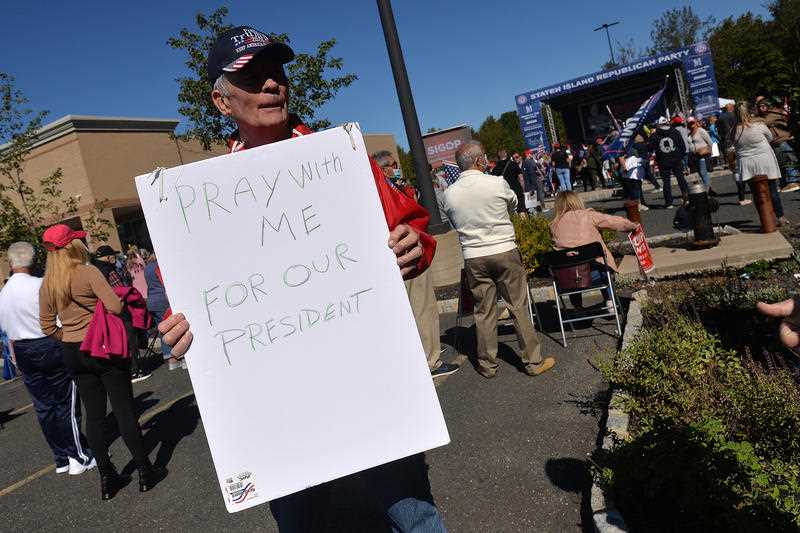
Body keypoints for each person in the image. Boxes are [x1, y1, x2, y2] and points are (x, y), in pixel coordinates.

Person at [157, 26, 446, 532]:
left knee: (412, 513)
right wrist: (178, 332)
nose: (272, 84)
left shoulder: (343, 161)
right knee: (299, 521)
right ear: (222, 101)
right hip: (274, 408)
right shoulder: (195, 204)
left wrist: (411, 244)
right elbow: (185, 300)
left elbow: (415, 229)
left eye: (277, 72)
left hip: (368, 382)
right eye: (253, 76)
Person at [39, 225, 164, 500]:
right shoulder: (87, 272)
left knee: (95, 417)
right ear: (73, 246)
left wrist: (68, 336)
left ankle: (107, 478)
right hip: (101, 346)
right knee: (123, 410)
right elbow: (115, 307)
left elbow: (47, 325)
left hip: (73, 350)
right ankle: (145, 470)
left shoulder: (48, 283)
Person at [443, 141, 556, 379]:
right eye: (483, 157)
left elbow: (453, 220)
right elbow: (513, 204)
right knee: (518, 306)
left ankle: (487, 365)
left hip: (473, 256)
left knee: (483, 312)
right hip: (504, 249)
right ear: (478, 161)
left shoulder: (449, 194)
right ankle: (532, 362)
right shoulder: (496, 183)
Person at [0, 242, 95, 475]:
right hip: (49, 343)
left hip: (22, 349)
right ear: (33, 261)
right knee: (67, 401)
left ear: (11, 263)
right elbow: (59, 318)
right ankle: (79, 455)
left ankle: (61, 456)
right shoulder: (41, 284)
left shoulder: (4, 293)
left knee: (44, 406)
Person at [373, 150, 459, 378]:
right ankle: (431, 360)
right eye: (392, 164)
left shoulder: (390, 188)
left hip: (402, 255)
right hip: (405, 255)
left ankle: (426, 352)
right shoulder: (385, 191)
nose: (396, 167)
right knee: (422, 306)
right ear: (383, 169)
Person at [549, 192, 638, 309]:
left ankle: (577, 306)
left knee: (570, 263)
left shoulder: (553, 225)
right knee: (601, 264)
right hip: (595, 276)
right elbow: (613, 221)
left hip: (567, 280)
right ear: (577, 201)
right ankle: (610, 300)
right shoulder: (587, 215)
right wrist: (631, 225)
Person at [733, 102, 789, 226]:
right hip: (764, 160)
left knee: (757, 193)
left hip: (747, 164)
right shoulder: (759, 125)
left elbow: (735, 146)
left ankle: (766, 219)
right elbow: (770, 138)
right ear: (751, 112)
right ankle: (780, 217)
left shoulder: (734, 131)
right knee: (772, 190)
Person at [756, 96, 800, 193]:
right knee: (780, 162)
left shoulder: (773, 112)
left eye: (763, 106)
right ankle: (784, 183)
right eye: (759, 106)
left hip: (783, 139)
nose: (761, 108)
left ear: (768, 105)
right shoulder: (761, 116)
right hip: (774, 141)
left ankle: (793, 181)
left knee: (789, 159)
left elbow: (769, 121)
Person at [649, 116, 688, 208]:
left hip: (663, 161)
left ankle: (669, 203)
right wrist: (679, 156)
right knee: (681, 179)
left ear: (658, 124)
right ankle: (687, 199)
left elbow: (650, 148)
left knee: (666, 182)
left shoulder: (655, 135)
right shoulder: (675, 132)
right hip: (676, 160)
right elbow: (683, 147)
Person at [493, 148, 527, 216]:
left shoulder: (495, 169)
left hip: (504, 193)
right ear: (506, 154)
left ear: (499, 156)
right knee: (521, 211)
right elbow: (521, 178)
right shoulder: (513, 164)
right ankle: (524, 225)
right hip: (517, 190)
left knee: (509, 214)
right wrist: (523, 189)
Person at [687, 117, 714, 192]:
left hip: (703, 155)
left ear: (695, 122)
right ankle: (709, 189)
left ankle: (707, 192)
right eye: (689, 123)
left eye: (692, 122)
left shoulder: (701, 131)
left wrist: (708, 151)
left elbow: (710, 142)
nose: (691, 124)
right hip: (694, 157)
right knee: (700, 174)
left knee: (703, 173)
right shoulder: (689, 133)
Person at [522, 149, 546, 213]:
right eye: (530, 153)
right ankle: (542, 208)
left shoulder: (526, 162)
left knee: (538, 194)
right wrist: (541, 175)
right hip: (536, 179)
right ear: (528, 154)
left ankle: (539, 208)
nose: (532, 155)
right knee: (540, 193)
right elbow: (536, 169)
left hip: (533, 180)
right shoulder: (530, 161)